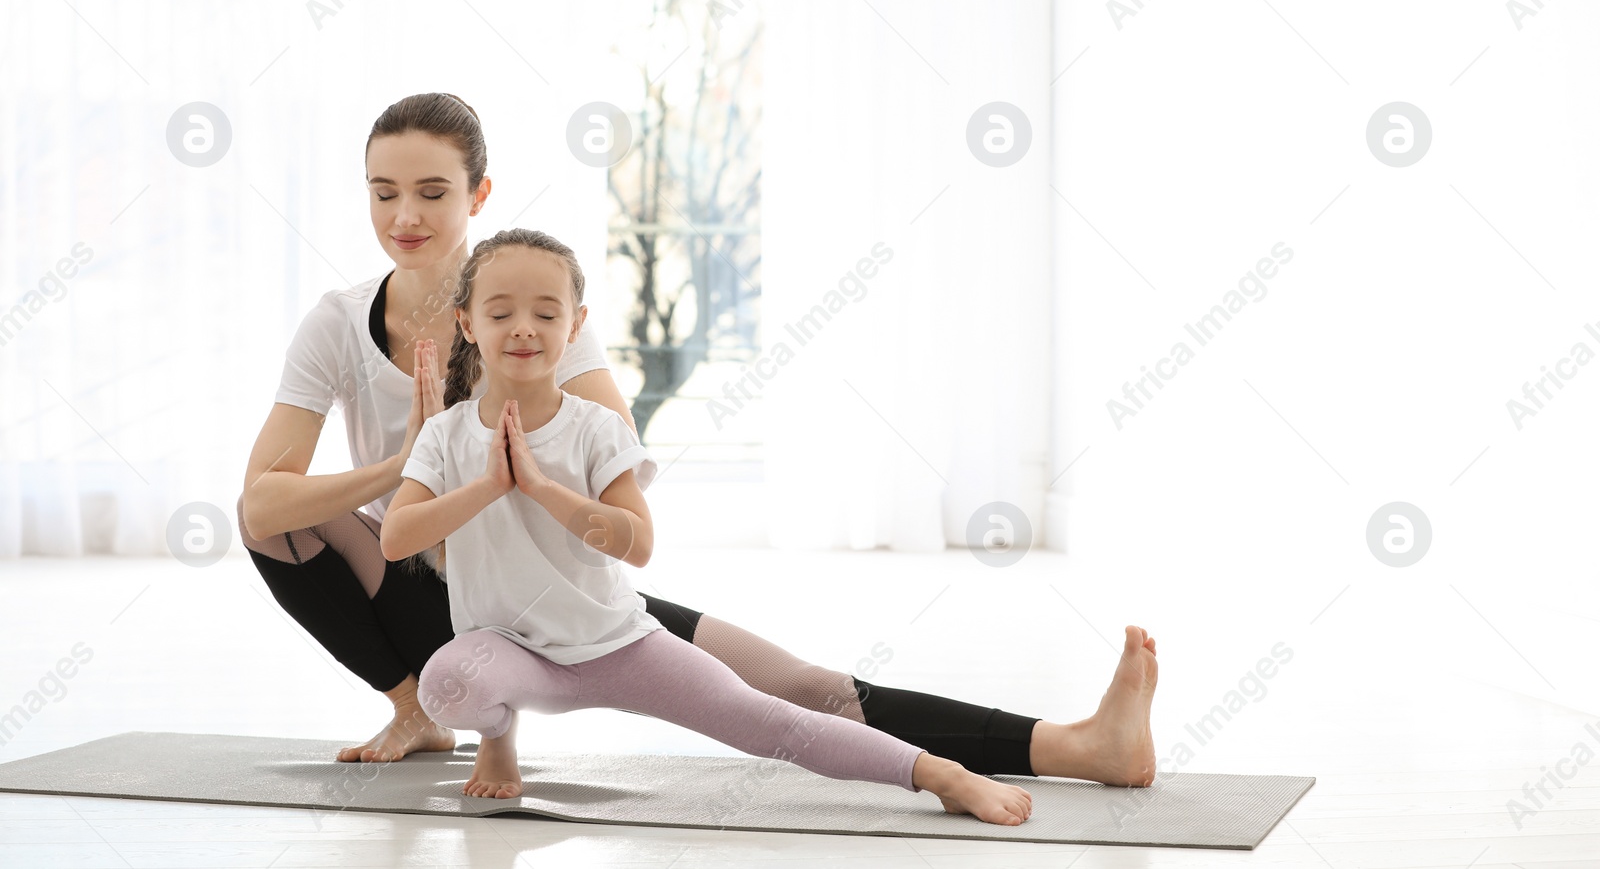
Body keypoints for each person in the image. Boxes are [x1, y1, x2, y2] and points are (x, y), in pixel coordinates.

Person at [237, 91, 1158, 789]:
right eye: (384, 191)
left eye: (433, 191)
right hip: (431, 599)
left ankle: (1073, 744)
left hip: (566, 589)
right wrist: (407, 463)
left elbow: (616, 473)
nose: (406, 214)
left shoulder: (534, 313)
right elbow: (263, 502)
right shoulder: (337, 323)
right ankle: (414, 708)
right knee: (271, 522)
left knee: (801, 686)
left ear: (478, 194)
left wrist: (513, 447)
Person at [379, 228, 1035, 823]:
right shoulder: (445, 436)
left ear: (575, 324)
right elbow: (398, 536)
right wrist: (489, 485)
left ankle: (938, 771)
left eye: (546, 313)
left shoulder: (596, 428)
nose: (524, 328)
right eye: (500, 313)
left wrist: (543, 489)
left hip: (617, 646)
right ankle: (499, 742)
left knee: (767, 719)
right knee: (447, 684)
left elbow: (638, 544)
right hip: (509, 652)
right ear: (466, 321)